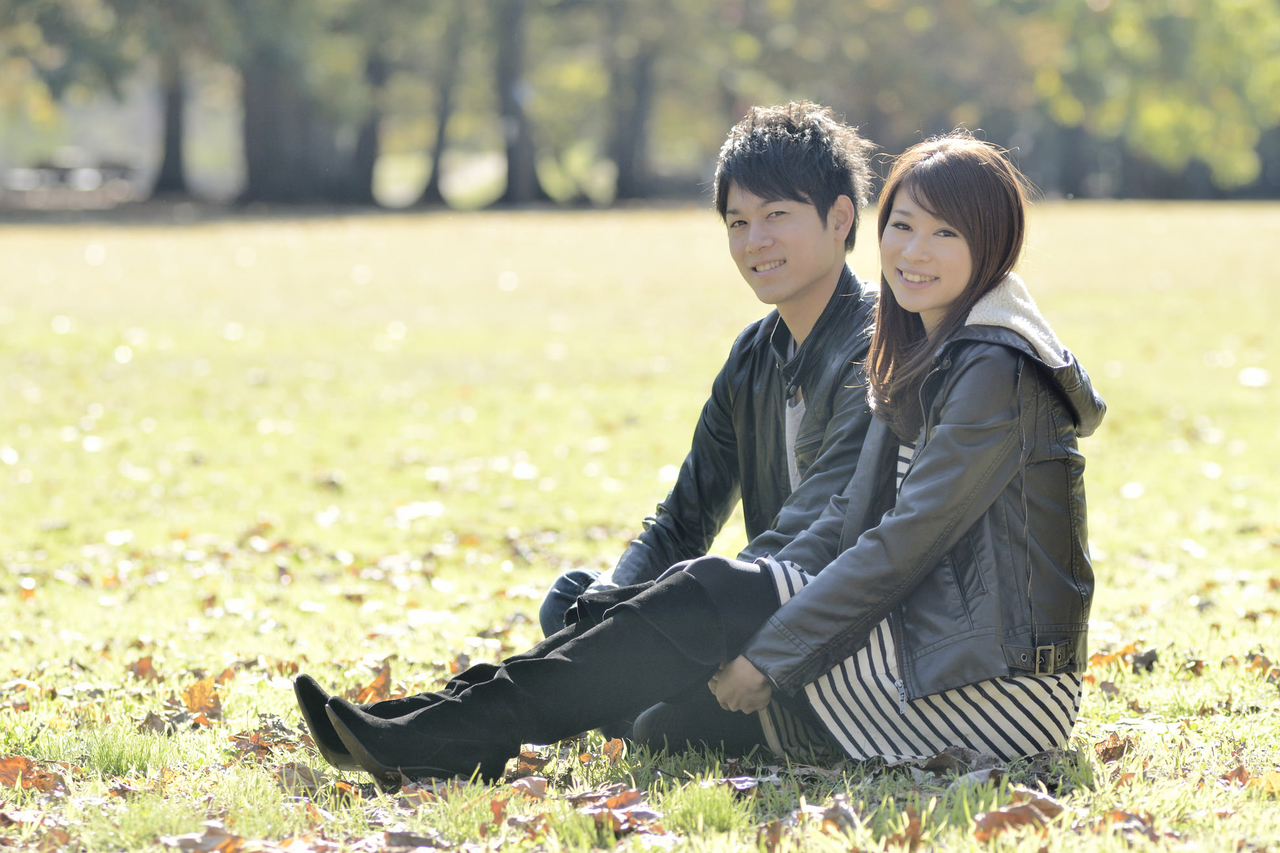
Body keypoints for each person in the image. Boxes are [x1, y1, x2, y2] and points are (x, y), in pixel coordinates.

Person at [296, 132, 1105, 788]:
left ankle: (453, 733)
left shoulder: (993, 368)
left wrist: (766, 649)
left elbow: (898, 545)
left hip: (992, 686)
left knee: (705, 598)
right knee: (660, 720)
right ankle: (434, 721)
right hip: (914, 645)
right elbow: (828, 520)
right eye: (904, 226)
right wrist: (643, 607)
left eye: (946, 233)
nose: (914, 251)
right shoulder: (918, 349)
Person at [295, 101, 881, 770]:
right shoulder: (756, 354)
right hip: (741, 611)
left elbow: (811, 542)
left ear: (840, 218)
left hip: (818, 642)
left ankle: (446, 729)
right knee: (574, 598)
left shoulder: (876, 351)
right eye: (738, 222)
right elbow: (681, 521)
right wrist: (614, 604)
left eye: (777, 215)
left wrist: (657, 611)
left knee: (659, 706)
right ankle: (441, 720)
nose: (755, 242)